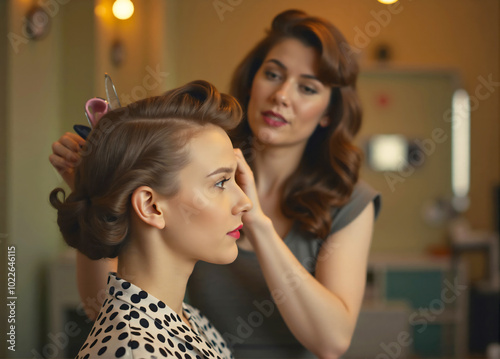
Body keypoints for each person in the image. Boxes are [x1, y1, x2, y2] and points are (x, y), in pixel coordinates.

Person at [50, 9, 381, 359]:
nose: (282, 95)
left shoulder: (347, 200)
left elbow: (332, 341)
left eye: (308, 87)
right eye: (272, 74)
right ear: (253, 80)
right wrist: (98, 194)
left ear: (329, 111)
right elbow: (106, 305)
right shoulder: (192, 162)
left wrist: (257, 223)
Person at [49, 80, 252, 358]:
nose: (245, 202)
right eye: (220, 182)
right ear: (151, 206)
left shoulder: (189, 320)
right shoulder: (133, 350)